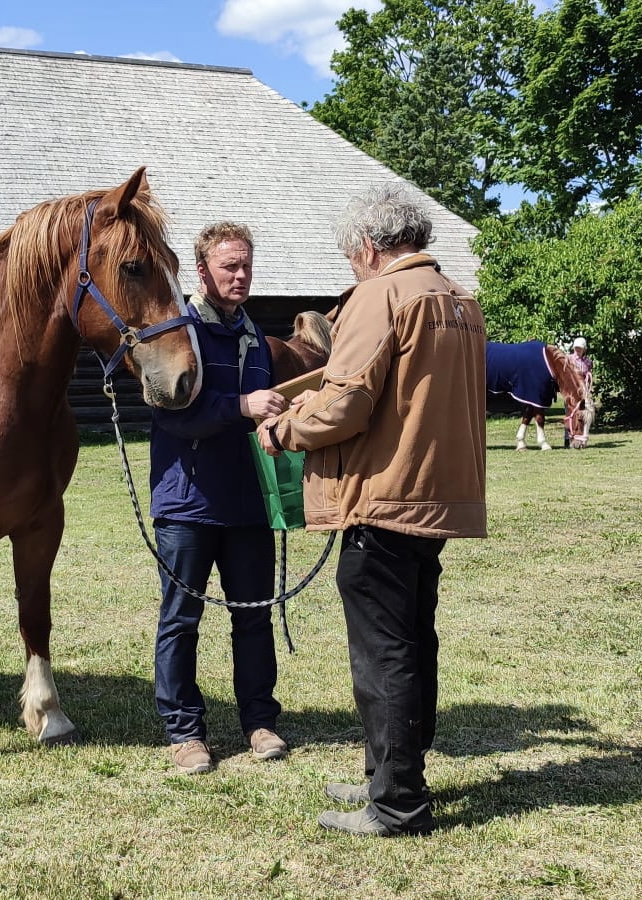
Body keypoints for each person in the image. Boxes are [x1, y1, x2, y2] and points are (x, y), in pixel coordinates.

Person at [256, 186, 487, 835]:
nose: (352, 269)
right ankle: (388, 775)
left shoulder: (379, 295)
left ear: (367, 247)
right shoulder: (460, 300)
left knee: (384, 654)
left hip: (382, 498)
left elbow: (345, 403)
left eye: (351, 258)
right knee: (412, 643)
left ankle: (397, 804)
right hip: (436, 497)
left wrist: (282, 430)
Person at [149, 221, 290, 775]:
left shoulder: (255, 334)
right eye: (229, 266)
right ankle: (184, 733)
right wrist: (242, 408)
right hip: (187, 505)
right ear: (202, 270)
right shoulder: (176, 331)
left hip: (249, 503)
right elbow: (169, 413)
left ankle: (259, 722)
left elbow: (263, 407)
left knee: (253, 616)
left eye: (247, 265)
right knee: (180, 619)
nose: (241, 275)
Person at [564, 337, 593, 448]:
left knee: (582, 415)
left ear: (584, 349)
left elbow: (589, 375)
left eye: (580, 348)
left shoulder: (588, 362)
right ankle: (568, 439)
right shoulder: (568, 359)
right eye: (576, 348)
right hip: (571, 392)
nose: (577, 350)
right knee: (569, 415)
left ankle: (581, 439)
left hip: (583, 392)